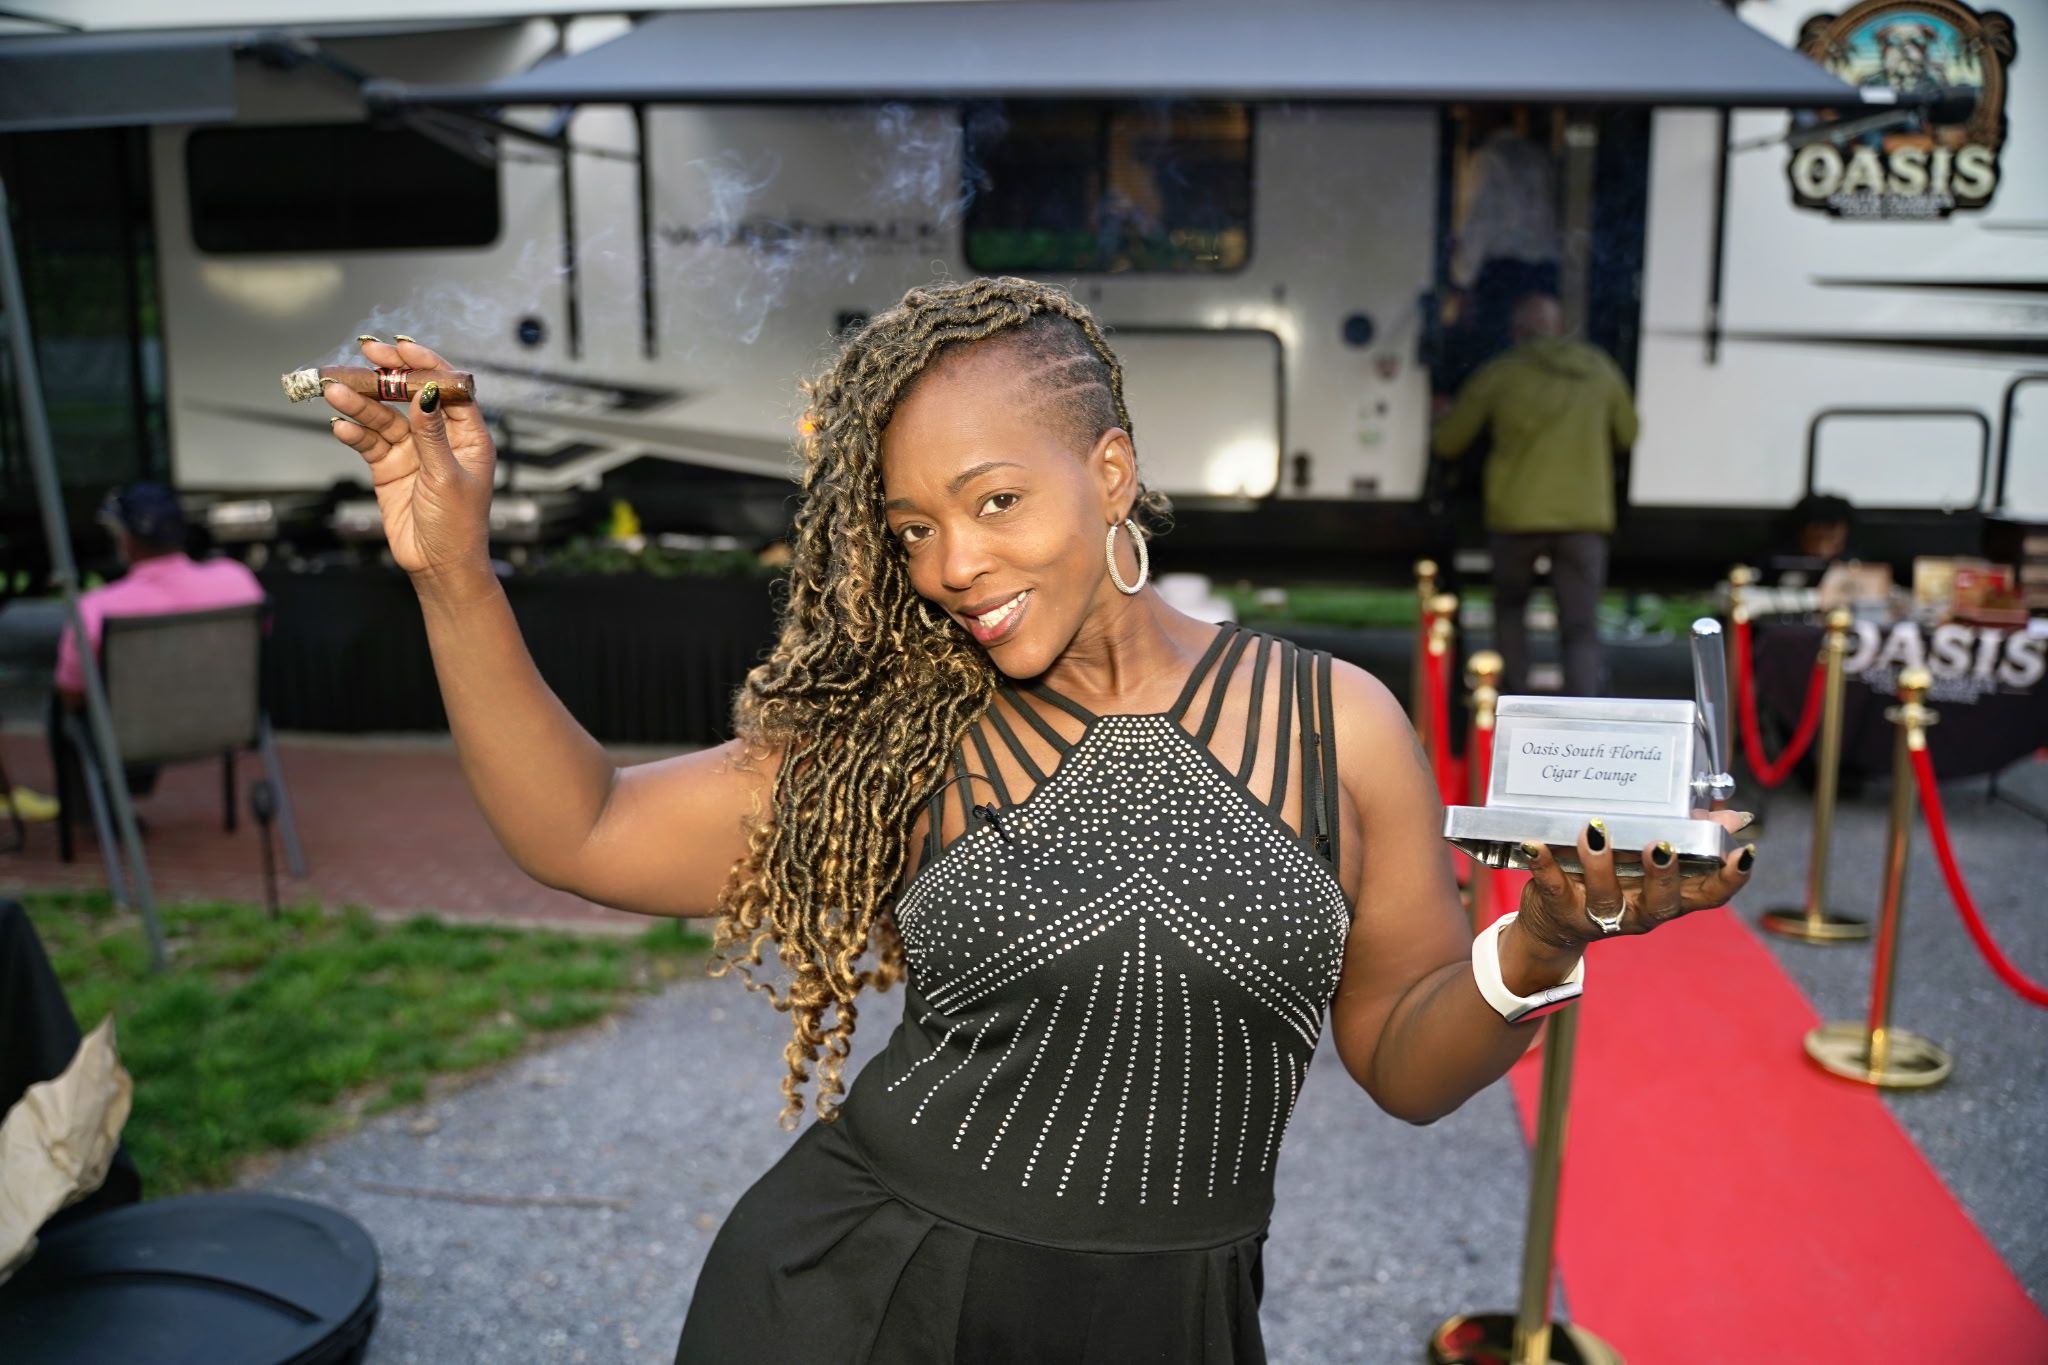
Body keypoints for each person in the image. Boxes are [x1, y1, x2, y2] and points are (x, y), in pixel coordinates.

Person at [321, 278, 1749, 1363]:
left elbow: (1406, 1060)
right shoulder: (900, 735)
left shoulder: (1340, 724)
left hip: (1176, 1318)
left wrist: (1543, 937)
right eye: (913, 527)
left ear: (1111, 473)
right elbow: (579, 828)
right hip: (874, 1301)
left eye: (995, 499)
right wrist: (454, 568)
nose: (956, 562)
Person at [1431, 293, 1638, 700]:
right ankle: (1584, 711)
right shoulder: (1599, 369)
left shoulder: (1500, 373)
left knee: (1510, 609)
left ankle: (1513, 702)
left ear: (1516, 331)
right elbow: (1628, 434)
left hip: (1516, 517)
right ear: (1561, 329)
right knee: (1580, 626)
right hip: (1583, 519)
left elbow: (1450, 442)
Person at [47, 484, 265, 839]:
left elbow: (72, 695)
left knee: (66, 710)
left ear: (125, 539)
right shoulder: (237, 580)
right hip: (226, 724)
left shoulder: (96, 609)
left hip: (131, 735)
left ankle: (102, 813)